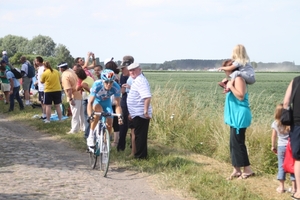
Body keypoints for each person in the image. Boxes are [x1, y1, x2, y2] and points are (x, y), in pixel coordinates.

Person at [223, 69, 254, 180]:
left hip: (240, 116)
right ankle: (236, 169)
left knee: (239, 143)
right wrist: (227, 86)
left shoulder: (239, 79)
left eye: (225, 69)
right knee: (233, 143)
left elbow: (240, 96)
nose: (224, 71)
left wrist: (231, 86)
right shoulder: (234, 80)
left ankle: (247, 170)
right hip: (235, 116)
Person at [86, 69, 123, 147]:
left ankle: (106, 141)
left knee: (110, 121)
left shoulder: (116, 87)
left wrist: (120, 116)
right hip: (96, 101)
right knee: (97, 113)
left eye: (111, 82)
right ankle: (91, 135)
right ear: (102, 81)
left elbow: (118, 105)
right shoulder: (97, 84)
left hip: (107, 103)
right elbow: (90, 102)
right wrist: (90, 116)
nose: (109, 84)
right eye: (106, 82)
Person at [127, 63, 152, 159]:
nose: (132, 72)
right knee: (137, 135)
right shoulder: (136, 80)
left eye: (134, 70)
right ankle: (138, 155)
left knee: (140, 136)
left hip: (141, 113)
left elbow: (147, 97)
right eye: (130, 70)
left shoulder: (141, 81)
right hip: (136, 113)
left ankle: (140, 157)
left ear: (139, 70)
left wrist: (145, 111)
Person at [271, 103, 296, 193]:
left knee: (281, 166)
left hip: (281, 146)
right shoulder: (290, 123)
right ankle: (294, 188)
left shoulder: (275, 123)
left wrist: (273, 146)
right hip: (291, 146)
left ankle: (281, 187)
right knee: (293, 166)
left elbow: (274, 136)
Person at [283, 76, 300, 199]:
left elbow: (286, 103)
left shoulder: (295, 80)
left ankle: (299, 191)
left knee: (298, 159)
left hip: (298, 124)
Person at [58, 62, 84, 134]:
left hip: (74, 95)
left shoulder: (65, 76)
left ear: (61, 68)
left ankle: (75, 129)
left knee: (75, 114)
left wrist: (70, 99)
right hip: (80, 94)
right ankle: (83, 128)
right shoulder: (72, 71)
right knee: (81, 114)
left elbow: (68, 89)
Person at [117, 55, 135, 155]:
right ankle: (126, 146)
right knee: (127, 126)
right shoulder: (125, 75)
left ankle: (126, 146)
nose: (122, 70)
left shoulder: (127, 75)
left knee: (128, 126)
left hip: (129, 102)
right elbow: (122, 91)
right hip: (128, 102)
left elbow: (123, 91)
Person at [104, 58, 121, 147]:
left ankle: (114, 141)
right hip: (113, 100)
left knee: (112, 122)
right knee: (113, 122)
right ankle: (113, 139)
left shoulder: (113, 77)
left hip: (111, 100)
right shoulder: (117, 76)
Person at [75, 68, 94, 138]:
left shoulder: (83, 83)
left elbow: (89, 91)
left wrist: (82, 86)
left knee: (87, 117)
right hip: (91, 99)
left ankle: (87, 134)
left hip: (88, 99)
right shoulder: (89, 77)